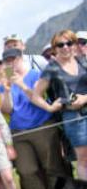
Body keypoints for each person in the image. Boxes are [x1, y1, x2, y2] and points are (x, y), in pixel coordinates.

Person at [0, 47, 70, 189]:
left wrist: (21, 85)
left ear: (21, 58)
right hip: (18, 131)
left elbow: (38, 97)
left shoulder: (36, 75)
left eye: (13, 59)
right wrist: (8, 91)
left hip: (42, 125)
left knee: (52, 164)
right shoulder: (5, 84)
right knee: (26, 169)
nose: (11, 63)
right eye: (7, 61)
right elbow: (7, 110)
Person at [29, 30, 87, 180]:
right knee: (83, 159)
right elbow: (35, 96)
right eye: (60, 45)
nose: (65, 47)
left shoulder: (83, 61)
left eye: (69, 43)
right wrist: (49, 107)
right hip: (74, 117)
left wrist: (84, 98)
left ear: (74, 44)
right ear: (55, 48)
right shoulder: (52, 68)